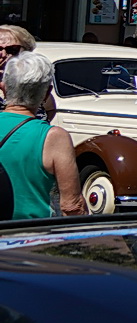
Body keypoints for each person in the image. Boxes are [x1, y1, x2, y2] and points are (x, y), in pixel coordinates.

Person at [0, 51, 83, 217]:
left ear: (3, 88)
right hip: (31, 236)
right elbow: (71, 206)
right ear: (47, 93)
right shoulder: (54, 137)